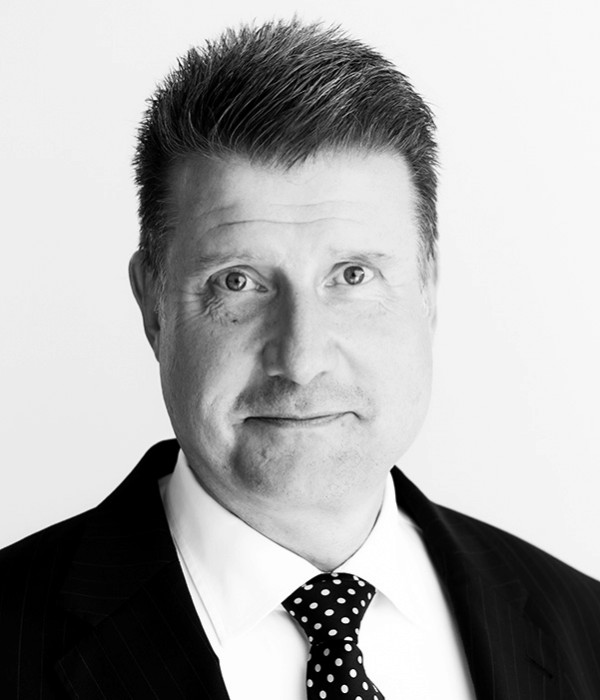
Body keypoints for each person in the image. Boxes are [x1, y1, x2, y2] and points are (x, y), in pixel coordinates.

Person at [1, 17, 599, 700]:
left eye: (352, 275)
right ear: (153, 305)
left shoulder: (585, 629)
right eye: (238, 282)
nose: (302, 359)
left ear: (428, 290)